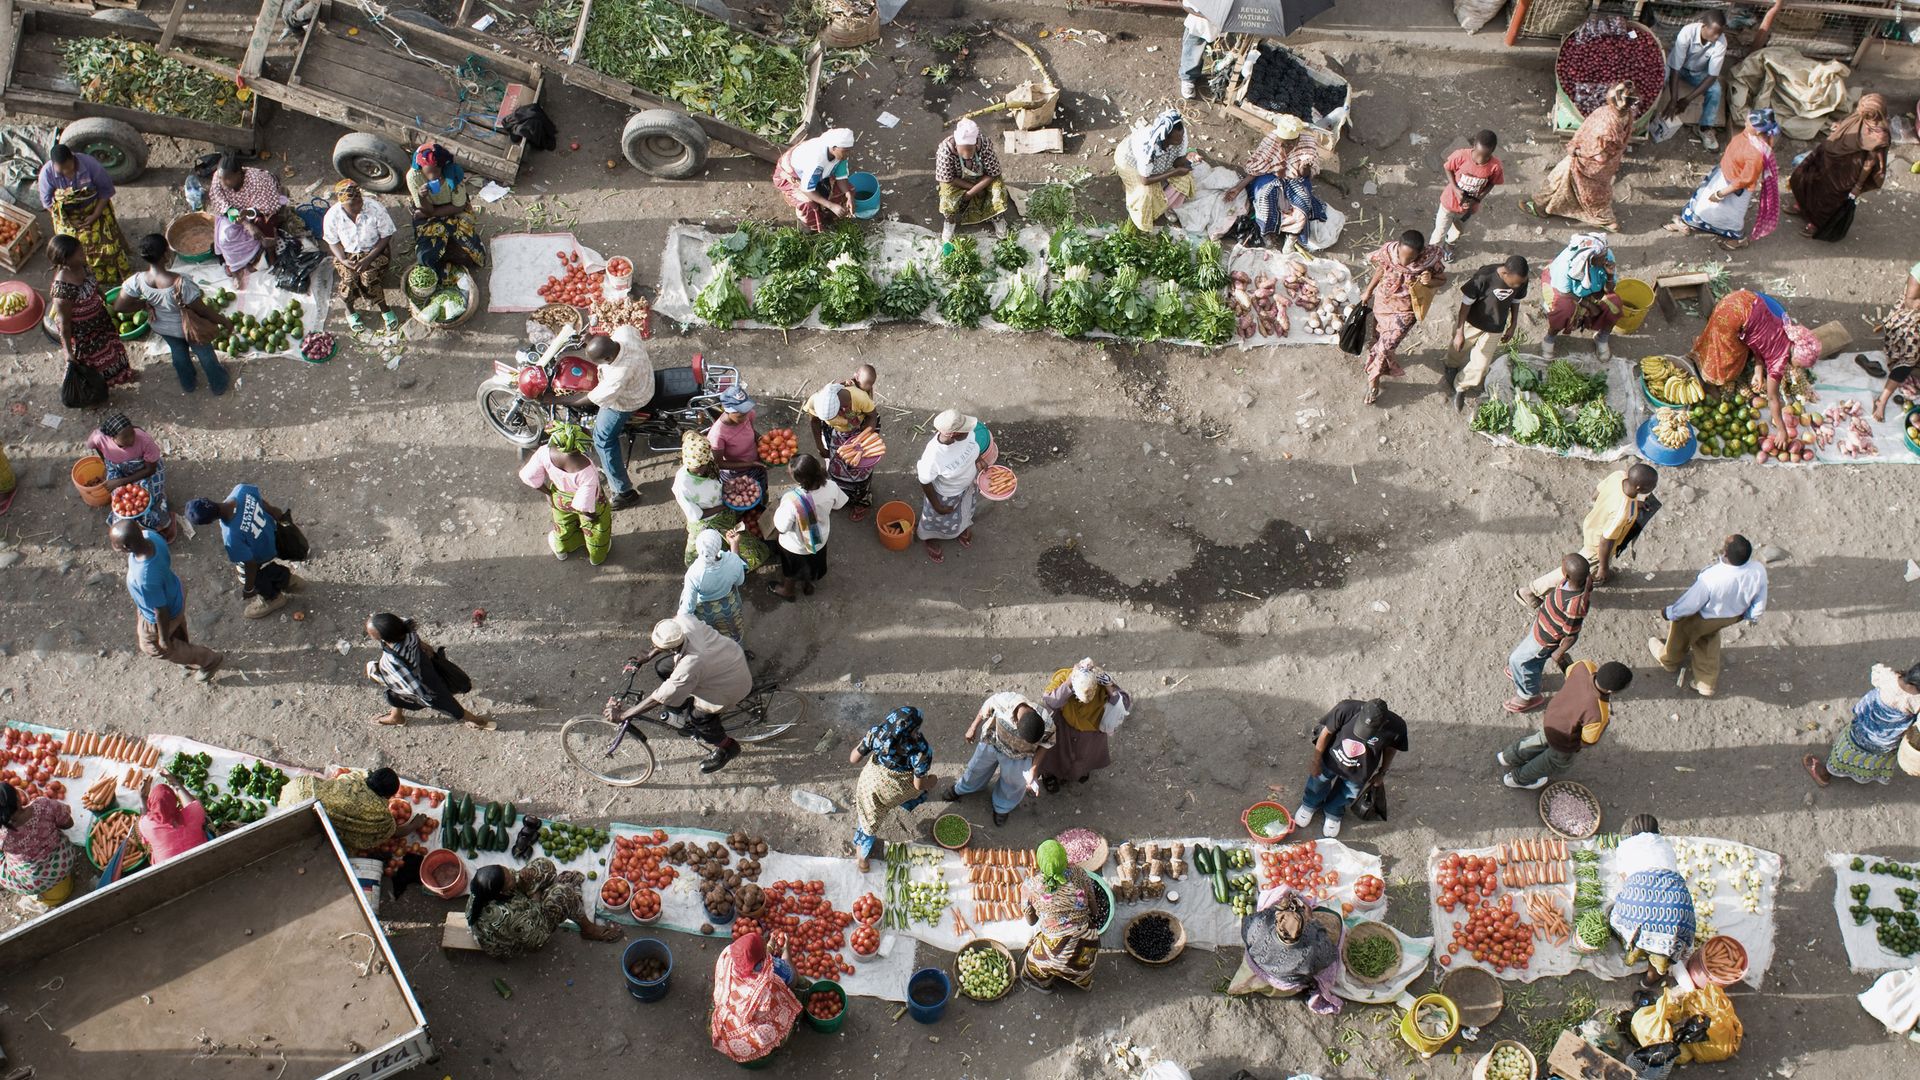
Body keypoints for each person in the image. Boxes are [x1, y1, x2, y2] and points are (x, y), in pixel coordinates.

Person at [607, 615, 752, 773]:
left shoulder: (690, 664)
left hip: (729, 684)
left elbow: (660, 696)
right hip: (727, 654)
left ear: (671, 648)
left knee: (699, 719)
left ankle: (728, 747)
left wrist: (624, 715)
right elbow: (670, 641)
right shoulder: (683, 621)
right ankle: (684, 699)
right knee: (663, 667)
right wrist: (649, 655)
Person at [1689, 290, 1819, 446]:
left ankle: (1706, 345)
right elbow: (1773, 398)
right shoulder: (1778, 362)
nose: (1798, 368)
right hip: (1729, 317)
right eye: (1800, 365)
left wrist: (1758, 371)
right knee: (1726, 359)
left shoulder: (1788, 332)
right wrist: (1782, 431)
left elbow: (1761, 341)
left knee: (1738, 351)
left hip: (1742, 299)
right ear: (1797, 357)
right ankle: (1710, 382)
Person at [1519, 464, 1658, 603]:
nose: (1654, 487)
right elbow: (1606, 541)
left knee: (1593, 564)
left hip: (1592, 525)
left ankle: (1602, 572)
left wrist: (1634, 503)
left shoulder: (1619, 476)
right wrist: (1604, 567)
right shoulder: (1622, 513)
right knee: (1578, 569)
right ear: (1640, 489)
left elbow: (1597, 493)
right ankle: (1531, 591)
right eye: (1653, 486)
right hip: (1598, 544)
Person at [1650, 534, 1769, 698]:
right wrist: (1748, 615)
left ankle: (1669, 661)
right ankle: (1706, 683)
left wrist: (1670, 612)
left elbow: (1690, 604)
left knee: (1680, 636)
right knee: (1707, 638)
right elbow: (1759, 604)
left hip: (1702, 616)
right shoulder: (1758, 570)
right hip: (1732, 616)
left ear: (1725, 554)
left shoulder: (1712, 578)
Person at [117, 234, 233, 395]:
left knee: (178, 352)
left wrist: (144, 304)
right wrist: (224, 321)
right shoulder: (181, 283)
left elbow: (119, 305)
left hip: (162, 327)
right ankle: (219, 383)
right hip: (189, 328)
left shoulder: (137, 280)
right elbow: (202, 310)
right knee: (205, 354)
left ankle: (188, 383)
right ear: (166, 254)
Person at [111, 519, 221, 678]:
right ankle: (188, 655)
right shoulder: (151, 536)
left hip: (163, 611)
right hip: (174, 592)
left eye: (116, 545)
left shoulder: (144, 578)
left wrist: (162, 640)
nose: (115, 547)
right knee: (176, 630)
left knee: (153, 646)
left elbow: (161, 612)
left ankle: (209, 660)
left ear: (127, 547)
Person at [1498, 660, 1633, 789]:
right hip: (1564, 740)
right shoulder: (1599, 713)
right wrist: (1604, 724)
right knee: (1550, 761)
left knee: (1539, 739)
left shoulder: (1584, 666)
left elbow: (1568, 672)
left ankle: (1508, 757)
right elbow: (1587, 740)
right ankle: (1517, 779)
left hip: (1552, 719)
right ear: (1611, 691)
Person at [1524, 81, 1635, 230]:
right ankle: (1607, 220)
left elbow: (1600, 157)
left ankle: (1539, 208)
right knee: (1596, 193)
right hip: (1608, 166)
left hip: (1587, 164)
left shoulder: (1607, 127)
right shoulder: (1626, 114)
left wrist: (1576, 152)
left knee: (1557, 179)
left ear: (1613, 102)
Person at [1290, 698, 1406, 839]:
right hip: (1332, 759)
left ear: (1383, 724)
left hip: (1360, 769)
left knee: (1349, 791)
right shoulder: (1346, 709)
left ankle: (1334, 810)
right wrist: (1316, 760)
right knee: (1319, 780)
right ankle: (1310, 802)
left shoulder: (1397, 727)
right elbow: (1326, 733)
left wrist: (1382, 772)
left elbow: (1391, 750)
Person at [183, 484, 302, 619]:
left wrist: (249, 587)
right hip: (273, 536)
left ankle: (272, 598)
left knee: (246, 574)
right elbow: (268, 507)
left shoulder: (230, 536)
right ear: (207, 499)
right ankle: (288, 580)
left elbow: (250, 563)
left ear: (209, 522)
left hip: (263, 553)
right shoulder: (241, 490)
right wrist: (283, 523)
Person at [1670, 109, 1781, 251]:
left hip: (1731, 187)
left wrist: (1720, 193)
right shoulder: (1750, 135)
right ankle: (1692, 221)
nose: (1746, 121)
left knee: (1726, 214)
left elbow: (1744, 180)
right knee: (1707, 206)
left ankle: (1738, 239)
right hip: (1725, 175)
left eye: (1749, 122)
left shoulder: (1756, 156)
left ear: (1759, 131)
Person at [1357, 229, 1446, 406]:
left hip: (1406, 311)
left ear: (1420, 253)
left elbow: (1442, 279)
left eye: (1411, 259)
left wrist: (1429, 281)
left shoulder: (1430, 259)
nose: (1404, 262)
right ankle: (1381, 360)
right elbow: (1382, 269)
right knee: (1379, 337)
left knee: (1385, 347)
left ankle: (1373, 381)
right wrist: (1368, 290)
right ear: (1398, 247)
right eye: (1402, 256)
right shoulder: (1389, 251)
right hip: (1384, 301)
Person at [467, 859, 622, 959]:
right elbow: (536, 936)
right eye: (509, 880)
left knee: (542, 866)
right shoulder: (508, 915)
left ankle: (547, 892)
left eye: (507, 872)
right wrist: (535, 895)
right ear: (503, 891)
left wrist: (522, 882)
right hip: (524, 935)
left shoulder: (481, 889)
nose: (512, 875)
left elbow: (514, 877)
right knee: (564, 894)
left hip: (517, 911)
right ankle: (588, 929)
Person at [943, 691, 1055, 827]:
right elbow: (984, 709)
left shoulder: (1048, 723)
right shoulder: (1003, 701)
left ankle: (1002, 806)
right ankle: (962, 788)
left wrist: (1033, 769)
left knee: (1013, 783)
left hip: (1020, 755)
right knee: (976, 769)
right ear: (1016, 724)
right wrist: (973, 727)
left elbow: (1046, 744)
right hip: (993, 742)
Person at [1608, 815, 1696, 985]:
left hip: (1642, 908)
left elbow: (1624, 876)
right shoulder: (1666, 846)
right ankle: (1651, 978)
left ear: (1633, 834)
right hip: (1677, 910)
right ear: (1657, 831)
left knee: (1618, 915)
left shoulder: (1626, 846)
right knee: (1665, 943)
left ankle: (1634, 950)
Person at [1788, 94, 1889, 241]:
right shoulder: (1860, 116)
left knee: (1828, 198)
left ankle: (1816, 223)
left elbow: (1870, 163)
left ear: (1873, 114)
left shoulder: (1879, 136)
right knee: (1805, 178)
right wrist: (1840, 126)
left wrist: (1858, 186)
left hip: (1845, 172)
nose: (1858, 110)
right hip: (1825, 158)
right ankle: (1802, 206)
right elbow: (1849, 124)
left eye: (1862, 109)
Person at [365, 612, 491, 729]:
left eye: (371, 634)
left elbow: (411, 687)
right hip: (423, 663)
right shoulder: (405, 626)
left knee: (447, 704)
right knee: (394, 695)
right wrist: (428, 648)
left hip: (421, 685)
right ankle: (396, 717)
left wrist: (427, 700)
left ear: (384, 638)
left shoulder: (392, 662)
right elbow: (418, 642)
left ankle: (476, 721)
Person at [849, 706, 937, 872]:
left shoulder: (877, 733)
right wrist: (931, 781)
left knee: (870, 816)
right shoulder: (920, 751)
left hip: (870, 782)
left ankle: (863, 859)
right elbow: (918, 784)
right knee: (869, 825)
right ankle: (862, 859)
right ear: (914, 729)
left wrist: (868, 743)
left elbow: (854, 758)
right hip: (896, 790)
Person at [1806, 661, 1920, 786]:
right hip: (1885, 741)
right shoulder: (1917, 702)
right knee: (1872, 758)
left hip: (1862, 728)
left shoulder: (1888, 676)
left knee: (1848, 751)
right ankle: (1863, 773)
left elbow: (1876, 671)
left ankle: (1827, 774)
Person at [1505, 554, 1592, 714]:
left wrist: (1559, 652)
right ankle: (1522, 674)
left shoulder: (1574, 605)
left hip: (1546, 639)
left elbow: (1571, 634)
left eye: (1562, 567)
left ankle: (1528, 695)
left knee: (1518, 660)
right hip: (1543, 627)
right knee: (1530, 659)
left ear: (1566, 575)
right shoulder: (1573, 582)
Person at [1232, 886, 1342, 1012]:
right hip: (1287, 978)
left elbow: (1245, 925)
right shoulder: (1313, 949)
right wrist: (1311, 919)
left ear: (1277, 918)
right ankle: (1308, 990)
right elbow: (1331, 955)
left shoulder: (1259, 923)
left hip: (1261, 964)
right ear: (1303, 930)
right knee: (1334, 918)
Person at [47, 233, 133, 393]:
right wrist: (68, 352)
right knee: (97, 363)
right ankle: (101, 389)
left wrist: (104, 298)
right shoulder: (62, 291)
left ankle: (122, 374)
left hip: (100, 321)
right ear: (66, 260)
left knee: (113, 350)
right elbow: (64, 323)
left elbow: (95, 284)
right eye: (79, 253)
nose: (84, 254)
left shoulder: (83, 267)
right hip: (84, 334)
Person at [673, 430, 771, 571]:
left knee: (753, 550)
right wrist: (725, 506)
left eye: (703, 465)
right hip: (707, 521)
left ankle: (729, 554)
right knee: (702, 558)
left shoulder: (709, 464)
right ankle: (728, 573)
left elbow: (717, 480)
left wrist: (732, 488)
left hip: (724, 512)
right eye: (697, 467)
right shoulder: (682, 485)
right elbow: (697, 515)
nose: (701, 470)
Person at [1224, 114, 1324, 247]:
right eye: (1281, 143)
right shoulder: (1270, 141)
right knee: (1265, 200)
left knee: (1303, 206)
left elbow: (1305, 174)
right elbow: (1258, 167)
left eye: (1288, 144)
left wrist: (1304, 167)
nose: (1283, 147)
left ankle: (1292, 236)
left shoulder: (1308, 144)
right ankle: (1268, 233)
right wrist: (1238, 188)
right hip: (1270, 176)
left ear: (1297, 139)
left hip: (1296, 179)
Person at [518, 421, 610, 565]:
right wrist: (591, 517)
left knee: (563, 524)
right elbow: (584, 506)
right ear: (579, 447)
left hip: (559, 498)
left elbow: (528, 476)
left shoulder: (544, 452)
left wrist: (548, 493)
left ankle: (562, 550)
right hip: (589, 504)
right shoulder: (587, 470)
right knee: (595, 529)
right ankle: (596, 556)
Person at [38, 143, 131, 285]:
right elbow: (48, 203)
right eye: (61, 171)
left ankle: (112, 273)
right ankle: (83, 274)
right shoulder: (46, 174)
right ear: (53, 165)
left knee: (109, 245)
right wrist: (68, 222)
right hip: (67, 215)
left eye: (69, 168)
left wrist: (95, 214)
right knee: (69, 249)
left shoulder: (90, 165)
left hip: (94, 207)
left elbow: (106, 191)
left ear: (73, 159)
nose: (67, 173)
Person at [1445, 255, 1529, 410]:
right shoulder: (1484, 277)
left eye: (1520, 284)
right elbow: (1466, 304)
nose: (1517, 286)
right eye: (1515, 283)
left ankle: (1461, 386)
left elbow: (1516, 301)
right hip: (1473, 321)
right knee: (1459, 346)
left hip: (1496, 326)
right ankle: (1451, 365)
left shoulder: (1521, 279)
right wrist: (1459, 331)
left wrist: (1513, 324)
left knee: (1482, 364)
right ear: (1505, 274)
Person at [1038, 658, 1131, 792]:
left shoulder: (1102, 685)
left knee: (1085, 756)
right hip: (1063, 729)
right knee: (1056, 756)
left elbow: (1124, 704)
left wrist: (1109, 687)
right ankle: (1050, 774)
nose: (1087, 699)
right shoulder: (1064, 678)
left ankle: (1079, 772)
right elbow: (1050, 702)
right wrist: (1069, 682)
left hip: (1090, 734)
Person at [1019, 839, 1102, 990]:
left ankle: (1042, 984)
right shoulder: (1079, 873)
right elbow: (1094, 910)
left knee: (1033, 964)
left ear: (1040, 864)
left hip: (1055, 952)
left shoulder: (1031, 886)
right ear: (1065, 858)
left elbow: (1031, 921)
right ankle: (1083, 982)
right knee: (1083, 966)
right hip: (1086, 946)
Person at [583, 327, 651, 510]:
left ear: (606, 360)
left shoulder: (618, 374)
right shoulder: (624, 333)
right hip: (643, 378)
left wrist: (559, 399)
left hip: (632, 400)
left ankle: (624, 492)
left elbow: (592, 398)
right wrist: (590, 339)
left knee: (602, 439)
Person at [710, 932, 802, 1065]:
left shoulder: (727, 957)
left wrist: (769, 946)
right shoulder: (771, 970)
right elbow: (793, 980)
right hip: (753, 1042)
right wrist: (786, 949)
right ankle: (765, 1050)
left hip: (726, 1028)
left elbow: (752, 960)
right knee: (795, 993)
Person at [321, 179, 399, 332]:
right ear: (342, 204)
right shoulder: (333, 216)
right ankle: (349, 310)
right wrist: (343, 259)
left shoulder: (374, 208)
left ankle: (384, 308)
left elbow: (386, 235)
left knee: (369, 277)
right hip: (347, 253)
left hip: (375, 251)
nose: (358, 206)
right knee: (349, 280)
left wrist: (369, 258)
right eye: (352, 204)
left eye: (359, 201)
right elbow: (332, 242)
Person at [767, 454, 847, 603]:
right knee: (812, 564)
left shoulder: (792, 500)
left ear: (801, 480)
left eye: (790, 472)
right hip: (819, 540)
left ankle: (787, 591)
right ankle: (808, 586)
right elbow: (838, 505)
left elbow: (782, 527)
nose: (787, 472)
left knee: (792, 570)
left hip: (795, 546)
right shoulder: (831, 487)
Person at [804, 368, 880, 521]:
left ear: (840, 407)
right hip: (835, 435)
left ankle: (861, 501)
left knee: (859, 470)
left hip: (860, 431)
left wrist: (863, 438)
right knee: (835, 468)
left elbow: (872, 416)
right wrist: (820, 446)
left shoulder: (858, 398)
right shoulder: (816, 400)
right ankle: (838, 494)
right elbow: (814, 422)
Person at [277, 767, 408, 852]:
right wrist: (414, 825)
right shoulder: (380, 814)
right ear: (387, 796)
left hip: (292, 795)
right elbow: (391, 831)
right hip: (301, 819)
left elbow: (345, 779)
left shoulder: (354, 778)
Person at [916, 408, 986, 563]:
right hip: (946, 494)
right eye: (965, 430)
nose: (970, 430)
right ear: (953, 434)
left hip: (967, 486)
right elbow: (925, 481)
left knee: (965, 508)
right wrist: (937, 505)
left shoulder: (967, 435)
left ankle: (961, 527)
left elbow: (973, 446)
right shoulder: (934, 455)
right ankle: (931, 538)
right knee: (939, 519)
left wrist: (978, 459)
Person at [207, 154, 289, 283]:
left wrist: (251, 216)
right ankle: (235, 266)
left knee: (265, 223)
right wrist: (246, 223)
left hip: (259, 208)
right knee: (225, 236)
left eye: (228, 179)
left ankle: (270, 253)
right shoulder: (218, 177)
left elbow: (267, 206)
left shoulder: (259, 181)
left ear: (240, 174)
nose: (223, 183)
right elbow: (220, 201)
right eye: (222, 179)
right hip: (233, 211)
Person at [89, 412, 172, 537]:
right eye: (125, 437)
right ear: (113, 438)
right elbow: (95, 445)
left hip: (144, 469)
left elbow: (150, 470)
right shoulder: (100, 438)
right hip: (117, 468)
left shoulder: (144, 440)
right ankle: (130, 524)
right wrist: (107, 464)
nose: (131, 439)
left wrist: (120, 481)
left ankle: (154, 522)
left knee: (148, 497)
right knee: (119, 497)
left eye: (132, 433)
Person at [1541, 232, 1622, 361]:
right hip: (1563, 290)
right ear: (1589, 259)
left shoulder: (1607, 257)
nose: (1606, 258)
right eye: (1601, 257)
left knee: (1615, 303)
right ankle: (1550, 338)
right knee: (1563, 309)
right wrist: (1588, 305)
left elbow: (1608, 290)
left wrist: (1610, 275)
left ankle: (1602, 337)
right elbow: (1564, 291)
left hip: (1591, 290)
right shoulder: (1568, 263)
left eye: (1605, 254)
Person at [407, 142, 487, 271]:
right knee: (425, 257)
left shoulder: (454, 175)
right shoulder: (414, 177)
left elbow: (458, 207)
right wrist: (422, 196)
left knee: (468, 256)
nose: (434, 177)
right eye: (428, 173)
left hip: (453, 212)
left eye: (437, 171)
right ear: (421, 168)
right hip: (427, 210)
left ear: (443, 166)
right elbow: (425, 209)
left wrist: (432, 213)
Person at [1114, 110, 1197, 233]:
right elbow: (1145, 180)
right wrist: (1175, 172)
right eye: (1175, 141)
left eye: (1180, 139)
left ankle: (1166, 207)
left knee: (1186, 178)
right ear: (1164, 138)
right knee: (1145, 193)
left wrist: (1187, 159)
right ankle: (1131, 191)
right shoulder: (1148, 146)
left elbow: (1177, 161)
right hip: (1129, 162)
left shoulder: (1181, 136)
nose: (1179, 142)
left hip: (1157, 162)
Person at [1662, 10, 1729, 150]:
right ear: (1704, 26)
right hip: (1677, 67)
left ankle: (1705, 128)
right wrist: (1674, 99)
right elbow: (1675, 68)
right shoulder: (1687, 32)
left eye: (1720, 33)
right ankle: (1654, 114)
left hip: (1698, 72)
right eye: (1714, 32)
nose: (1717, 36)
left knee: (1716, 90)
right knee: (1659, 78)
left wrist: (1687, 99)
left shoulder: (1721, 42)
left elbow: (1712, 77)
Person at [0, 783, 77, 902]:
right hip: (63, 860)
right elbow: (69, 824)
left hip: (33, 881)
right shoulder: (43, 805)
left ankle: (42, 894)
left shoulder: (2, 835)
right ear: (18, 797)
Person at [935, 119, 1010, 243]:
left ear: (975, 145)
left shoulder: (984, 145)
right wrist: (972, 189)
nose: (968, 154)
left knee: (998, 189)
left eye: (971, 150)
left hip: (982, 178)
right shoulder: (945, 151)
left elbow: (993, 173)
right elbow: (948, 178)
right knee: (946, 197)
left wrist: (974, 191)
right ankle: (950, 221)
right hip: (957, 181)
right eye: (963, 150)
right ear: (956, 146)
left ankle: (996, 217)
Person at [772, 128, 858, 233]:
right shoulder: (816, 160)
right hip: (792, 175)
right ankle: (807, 226)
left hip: (816, 174)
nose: (848, 154)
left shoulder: (840, 155)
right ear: (834, 148)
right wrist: (831, 206)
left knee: (846, 190)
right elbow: (806, 189)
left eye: (849, 150)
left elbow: (841, 176)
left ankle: (830, 215)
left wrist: (848, 194)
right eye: (846, 151)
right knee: (809, 204)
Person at [1434, 130, 1504, 250]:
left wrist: (1478, 199)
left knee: (1457, 231)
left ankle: (1450, 245)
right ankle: (1433, 254)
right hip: (1449, 202)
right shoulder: (1461, 155)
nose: (1480, 160)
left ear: (1492, 152)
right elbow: (1448, 168)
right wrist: (1455, 189)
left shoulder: (1495, 166)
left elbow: (1492, 182)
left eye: (1486, 156)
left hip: (1468, 208)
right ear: (1473, 146)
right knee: (1439, 233)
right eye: (1478, 154)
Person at [1866, 267, 1920, 422]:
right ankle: (1881, 399)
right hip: (1911, 316)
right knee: (1911, 353)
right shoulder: (1919, 271)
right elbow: (1910, 302)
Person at [680, 529, 749, 641]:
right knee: (733, 634)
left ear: (698, 549)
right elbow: (739, 582)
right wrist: (734, 544)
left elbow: (688, 608)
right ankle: (736, 654)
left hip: (704, 612)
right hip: (729, 609)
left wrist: (678, 620)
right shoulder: (733, 560)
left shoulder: (693, 573)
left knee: (709, 638)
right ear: (719, 546)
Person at [708, 386, 765, 514]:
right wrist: (750, 464)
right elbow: (719, 463)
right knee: (743, 505)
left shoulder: (747, 414)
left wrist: (761, 441)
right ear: (728, 411)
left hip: (756, 463)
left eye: (746, 411)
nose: (746, 416)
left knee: (760, 494)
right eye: (741, 413)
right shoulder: (717, 435)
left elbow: (752, 431)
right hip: (737, 475)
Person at [137, 783, 209, 866]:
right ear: (175, 801)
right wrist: (175, 782)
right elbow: (192, 803)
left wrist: (142, 798)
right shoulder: (193, 813)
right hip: (203, 860)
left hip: (167, 870)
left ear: (150, 804)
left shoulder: (148, 826)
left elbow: (143, 817)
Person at [1177, 0, 1227, 100]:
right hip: (1199, 23)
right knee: (1193, 53)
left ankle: (1220, 79)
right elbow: (1187, 5)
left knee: (1223, 55)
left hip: (1223, 23)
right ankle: (1188, 78)